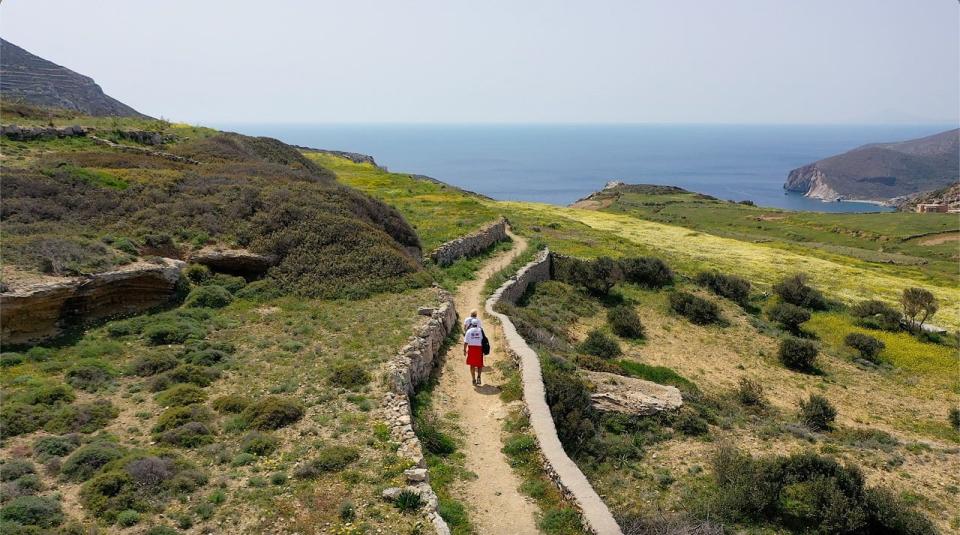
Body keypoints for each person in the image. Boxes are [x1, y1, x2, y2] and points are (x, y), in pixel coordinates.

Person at [463, 317, 484, 386]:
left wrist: (464, 350)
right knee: (479, 364)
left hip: (471, 349)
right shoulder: (481, 330)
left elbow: (465, 342)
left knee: (472, 365)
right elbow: (484, 340)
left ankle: (473, 379)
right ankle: (479, 376)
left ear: (471, 324)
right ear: (477, 324)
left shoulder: (468, 331)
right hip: (479, 349)